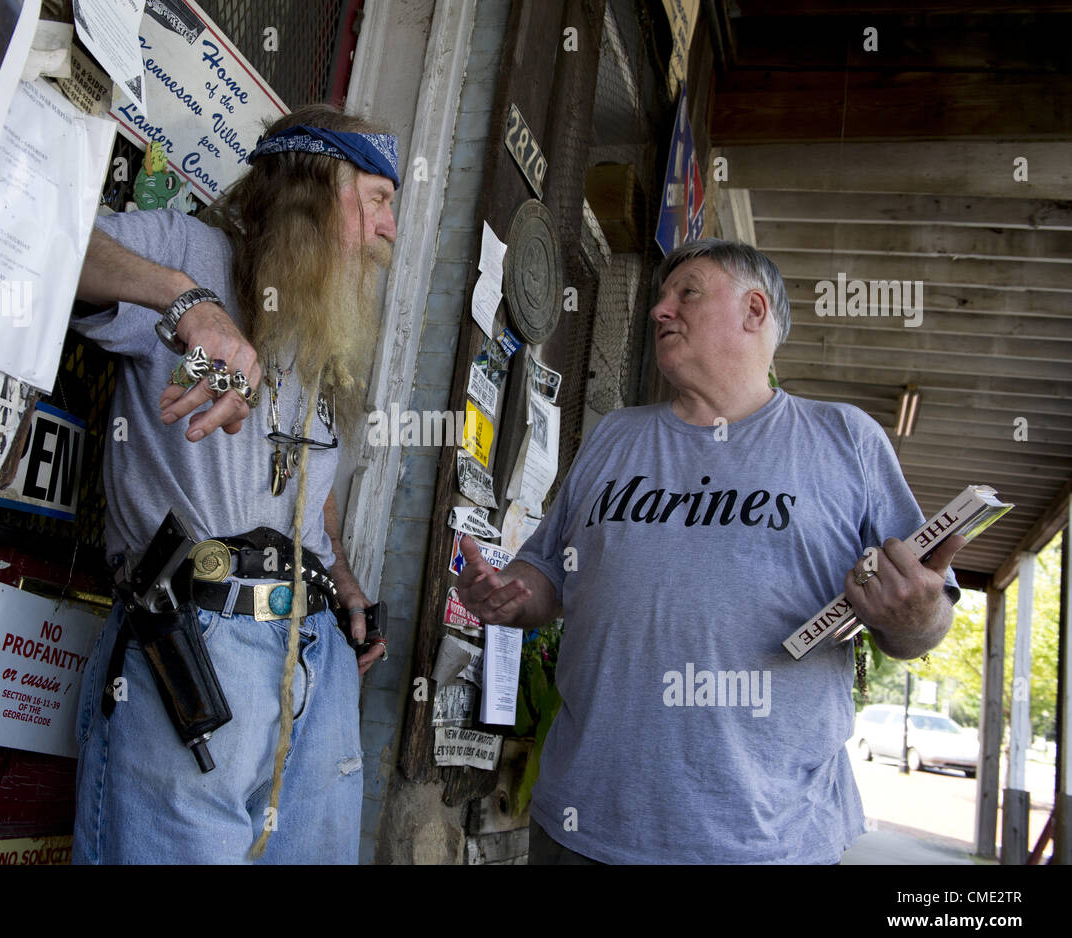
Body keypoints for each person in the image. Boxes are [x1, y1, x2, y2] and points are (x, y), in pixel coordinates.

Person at [457, 238, 965, 865]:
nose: (659, 310)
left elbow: (922, 614)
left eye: (687, 293)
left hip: (764, 841)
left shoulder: (844, 440)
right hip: (582, 827)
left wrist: (916, 614)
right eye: (663, 297)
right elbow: (546, 572)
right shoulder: (615, 436)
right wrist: (509, 594)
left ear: (755, 311)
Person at [69, 105, 397, 864]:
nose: (389, 230)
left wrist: (339, 572)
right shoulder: (191, 250)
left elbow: (306, 471)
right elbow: (49, 243)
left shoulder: (321, 322)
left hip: (318, 655)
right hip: (196, 637)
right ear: (314, 189)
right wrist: (186, 302)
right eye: (377, 200)